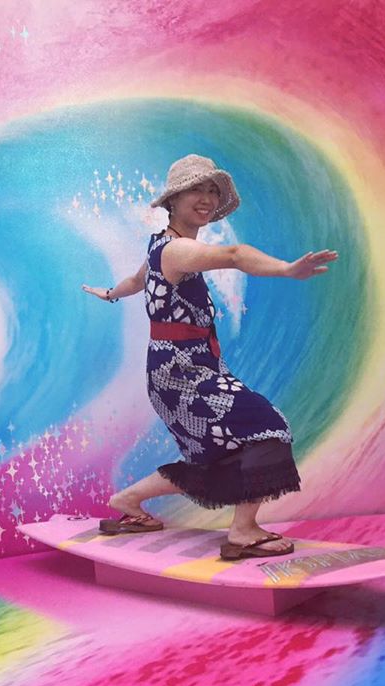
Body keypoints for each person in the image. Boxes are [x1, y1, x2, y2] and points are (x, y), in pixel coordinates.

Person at [82, 154, 338, 559]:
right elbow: (235, 254)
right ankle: (243, 531)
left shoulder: (160, 246)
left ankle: (127, 501)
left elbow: (136, 280)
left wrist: (110, 293)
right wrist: (287, 269)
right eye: (195, 190)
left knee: (212, 456)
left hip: (180, 369)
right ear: (173, 199)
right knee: (268, 428)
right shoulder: (178, 250)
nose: (206, 198)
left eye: (212, 191)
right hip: (182, 372)